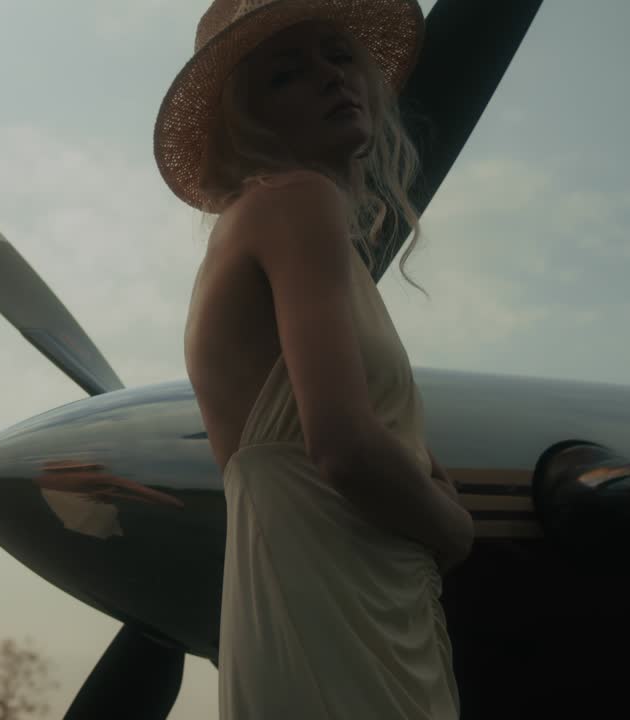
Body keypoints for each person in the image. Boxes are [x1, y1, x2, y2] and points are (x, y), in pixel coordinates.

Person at [158, 0, 475, 717]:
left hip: (320, 581)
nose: (331, 78)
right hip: (336, 594)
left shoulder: (263, 222)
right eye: (285, 75)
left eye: (337, 56)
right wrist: (454, 530)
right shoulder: (296, 202)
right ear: (248, 120)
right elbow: (341, 447)